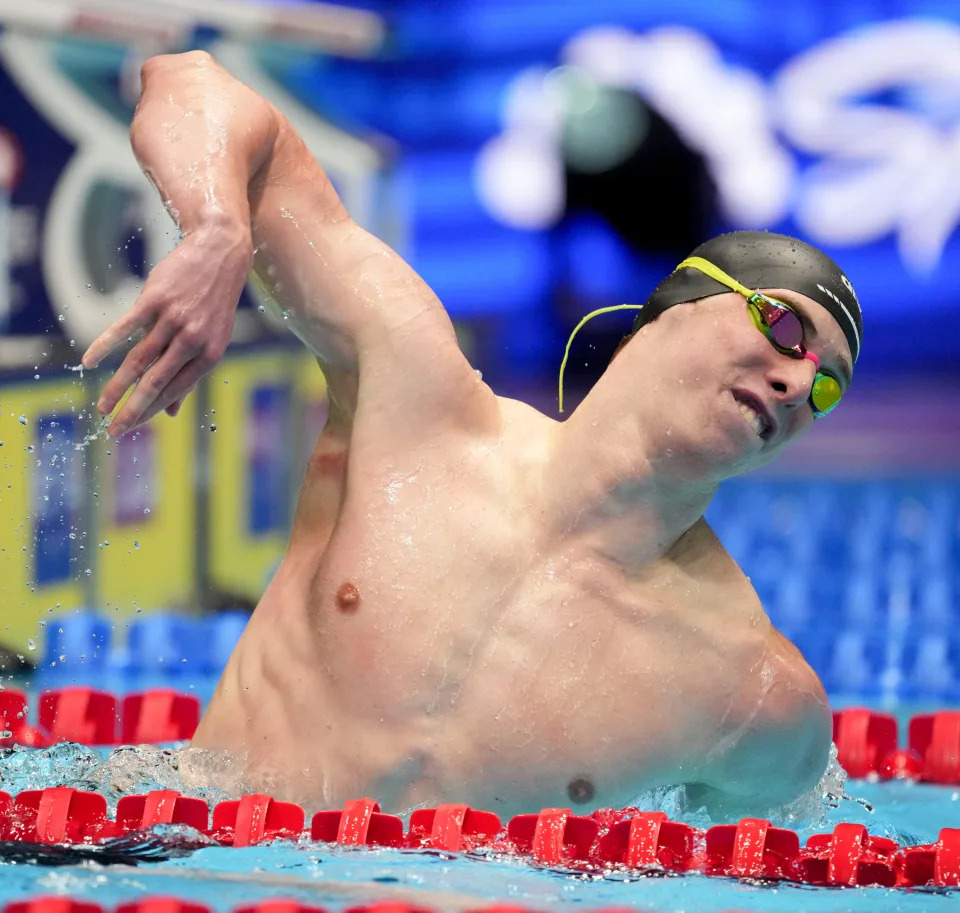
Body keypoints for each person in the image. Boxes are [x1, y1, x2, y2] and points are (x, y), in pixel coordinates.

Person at [82, 51, 862, 819]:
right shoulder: (414, 402)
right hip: (193, 869)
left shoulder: (751, 693)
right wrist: (218, 230)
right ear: (675, 305)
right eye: (783, 325)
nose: (797, 383)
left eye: (825, 386)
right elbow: (188, 80)